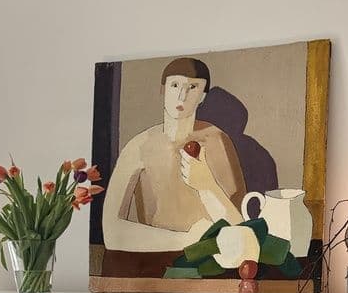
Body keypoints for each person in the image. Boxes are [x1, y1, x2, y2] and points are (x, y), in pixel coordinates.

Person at [102, 58, 245, 252]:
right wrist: (187, 241)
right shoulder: (137, 147)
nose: (182, 96)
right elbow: (112, 233)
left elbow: (240, 229)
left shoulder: (218, 141)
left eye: (192, 87)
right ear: (163, 89)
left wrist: (207, 185)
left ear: (202, 96)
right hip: (154, 256)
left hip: (212, 258)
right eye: (175, 85)